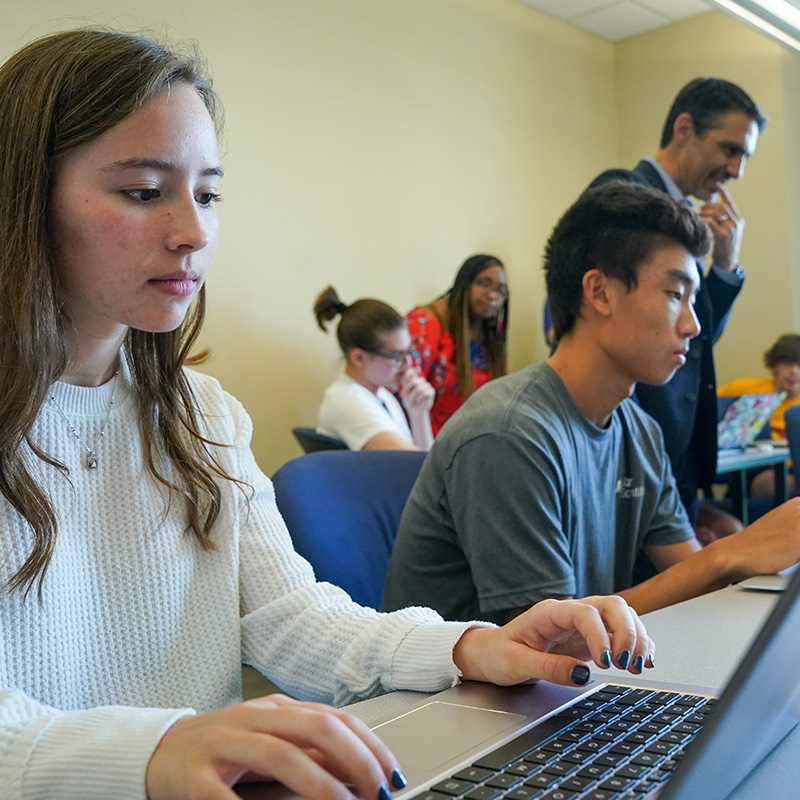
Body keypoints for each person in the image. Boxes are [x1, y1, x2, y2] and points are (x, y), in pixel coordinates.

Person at [0, 29, 655, 800]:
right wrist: (156, 751)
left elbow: (290, 617)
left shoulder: (203, 416)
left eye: (207, 193)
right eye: (144, 191)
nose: (194, 231)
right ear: (22, 197)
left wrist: (469, 647)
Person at [383, 181, 800, 627]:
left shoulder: (639, 431)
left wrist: (744, 558)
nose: (693, 325)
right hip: (466, 693)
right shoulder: (508, 433)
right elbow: (551, 642)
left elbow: (686, 579)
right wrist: (726, 557)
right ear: (599, 293)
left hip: (573, 681)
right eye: (676, 294)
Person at [586, 78, 768, 535]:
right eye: (730, 149)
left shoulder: (684, 213)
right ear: (684, 128)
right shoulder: (622, 192)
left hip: (674, 455)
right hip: (632, 445)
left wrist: (724, 267)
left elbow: (693, 334)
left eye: (744, 155)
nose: (737, 169)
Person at [313, 286, 434, 451]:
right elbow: (415, 468)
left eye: (409, 352)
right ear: (359, 358)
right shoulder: (346, 401)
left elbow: (424, 468)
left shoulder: (383, 396)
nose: (407, 364)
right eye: (397, 356)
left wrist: (419, 413)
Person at [406, 254, 507, 435]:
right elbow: (406, 390)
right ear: (464, 284)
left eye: (500, 290)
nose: (493, 295)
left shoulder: (489, 330)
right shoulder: (425, 323)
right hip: (425, 439)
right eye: (483, 284)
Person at [718, 333, 800, 497]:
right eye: (787, 363)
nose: (794, 371)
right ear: (774, 366)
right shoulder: (746, 390)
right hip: (755, 469)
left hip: (794, 468)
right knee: (772, 481)